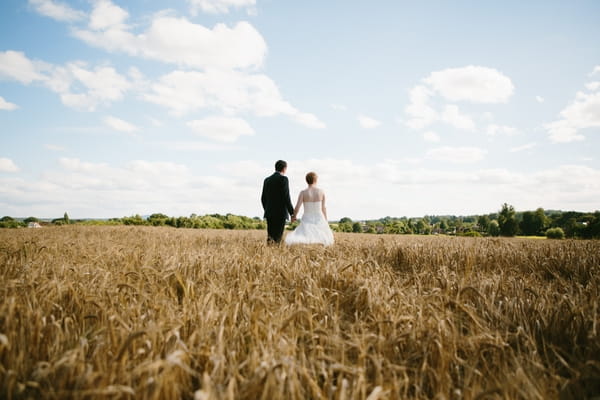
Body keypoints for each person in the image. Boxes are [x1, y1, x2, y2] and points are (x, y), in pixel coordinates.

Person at [285, 172, 334, 246]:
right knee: (321, 237)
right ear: (315, 180)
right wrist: (325, 220)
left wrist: (294, 216)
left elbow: (297, 206)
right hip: (319, 217)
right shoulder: (321, 192)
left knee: (305, 237)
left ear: (307, 180)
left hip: (307, 217)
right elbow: (323, 208)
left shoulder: (303, 192)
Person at [261, 160, 295, 244]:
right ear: (284, 168)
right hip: (280, 213)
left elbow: (263, 198)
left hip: (269, 213)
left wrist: (267, 209)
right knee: (277, 238)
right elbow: (286, 197)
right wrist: (292, 213)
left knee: (270, 238)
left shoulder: (267, 180)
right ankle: (274, 254)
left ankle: (268, 255)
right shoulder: (284, 179)